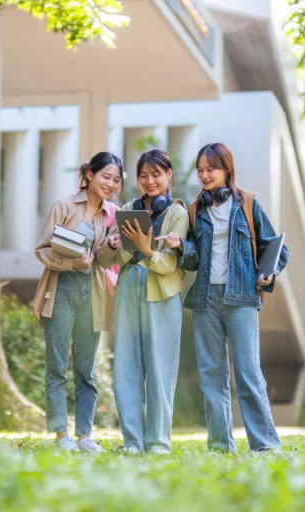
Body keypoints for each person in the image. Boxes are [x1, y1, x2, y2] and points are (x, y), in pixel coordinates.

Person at [164, 142, 289, 453]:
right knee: (212, 376)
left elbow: (277, 248)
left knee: (248, 373)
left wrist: (268, 272)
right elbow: (193, 259)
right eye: (200, 170)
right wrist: (181, 246)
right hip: (205, 300)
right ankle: (221, 446)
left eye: (211, 169)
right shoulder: (195, 210)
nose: (204, 175)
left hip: (242, 298)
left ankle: (265, 446)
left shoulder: (247, 204)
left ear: (226, 169)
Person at [98, 149, 188, 455]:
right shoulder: (127, 209)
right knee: (126, 366)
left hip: (161, 293)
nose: (150, 181)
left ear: (169, 175)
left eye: (156, 174)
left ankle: (159, 442)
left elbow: (169, 264)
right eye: (144, 175)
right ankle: (133, 442)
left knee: (161, 369)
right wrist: (116, 244)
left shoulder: (177, 213)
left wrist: (146, 250)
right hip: (128, 290)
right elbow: (113, 259)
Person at [32, 151, 124, 452]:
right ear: (90, 175)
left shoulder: (111, 214)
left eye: (116, 180)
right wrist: (72, 263)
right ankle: (62, 435)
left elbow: (104, 261)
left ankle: (85, 436)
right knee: (57, 365)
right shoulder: (64, 205)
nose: (110, 184)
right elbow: (42, 249)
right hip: (61, 288)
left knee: (87, 369)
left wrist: (112, 245)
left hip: (92, 291)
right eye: (106, 176)